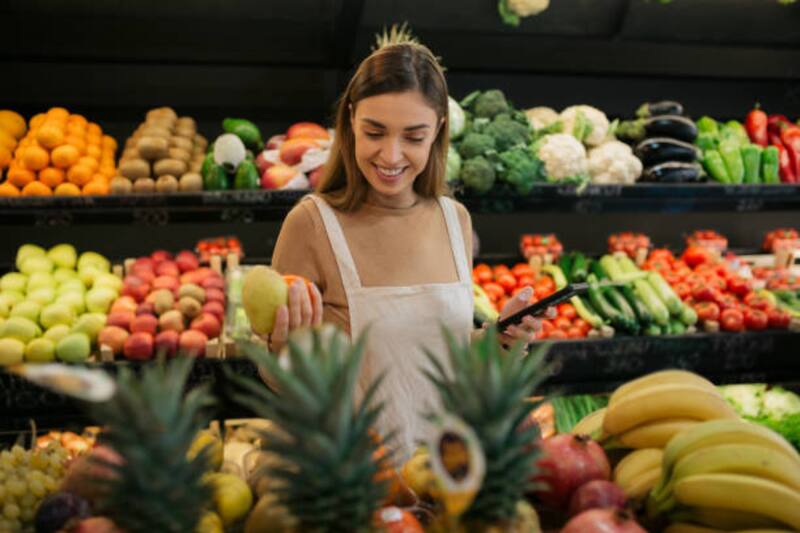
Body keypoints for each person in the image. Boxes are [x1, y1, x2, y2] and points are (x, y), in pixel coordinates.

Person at [269, 39, 540, 459]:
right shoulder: (312, 224)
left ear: (438, 131)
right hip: (356, 472)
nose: (391, 155)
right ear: (351, 120)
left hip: (444, 468)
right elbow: (278, 379)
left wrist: (501, 338)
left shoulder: (455, 219)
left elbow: (442, 359)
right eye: (374, 132)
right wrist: (282, 350)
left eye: (414, 136)